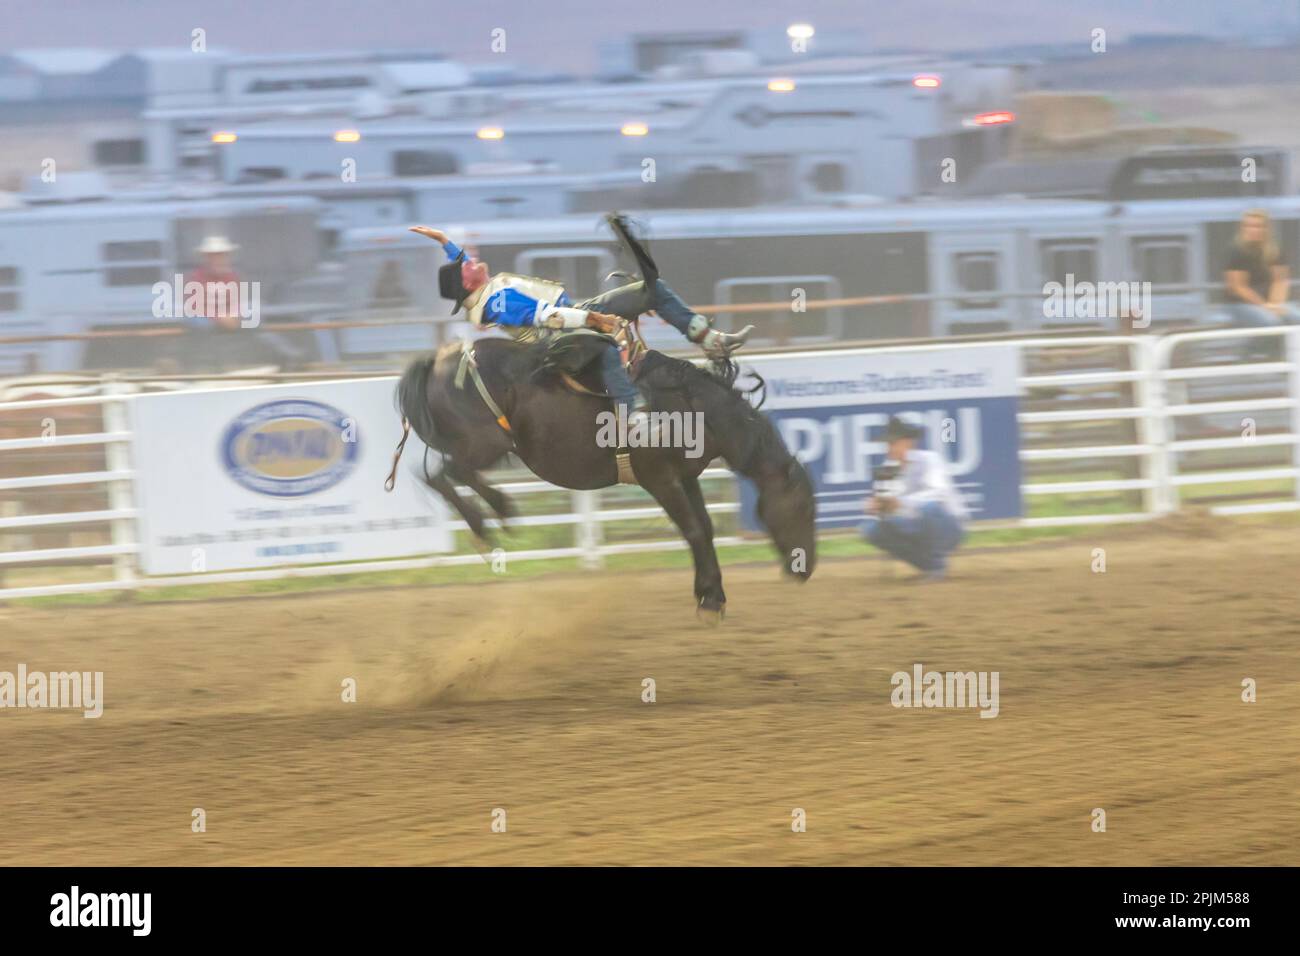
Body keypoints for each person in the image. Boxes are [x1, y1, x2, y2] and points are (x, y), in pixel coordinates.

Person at [408, 219, 752, 431]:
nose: (471, 259)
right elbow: (549, 316)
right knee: (601, 343)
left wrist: (443, 242)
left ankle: (706, 337)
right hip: (557, 335)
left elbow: (462, 262)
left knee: (651, 291)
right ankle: (630, 410)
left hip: (570, 315)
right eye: (466, 265)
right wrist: (594, 318)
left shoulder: (483, 291)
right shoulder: (499, 301)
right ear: (469, 284)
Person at [860, 416, 967, 580]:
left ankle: (936, 565)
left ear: (908, 443)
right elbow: (887, 510)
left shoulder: (930, 460)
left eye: (893, 443)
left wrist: (900, 503)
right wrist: (877, 508)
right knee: (871, 529)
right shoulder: (886, 470)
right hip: (916, 528)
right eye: (888, 444)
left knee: (930, 508)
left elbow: (939, 494)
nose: (889, 448)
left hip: (950, 527)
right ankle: (929, 566)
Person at [1223, 209, 1297, 358]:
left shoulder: (1274, 250)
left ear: (1266, 228)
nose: (1254, 230)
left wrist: (1276, 303)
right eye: (1249, 226)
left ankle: (1289, 359)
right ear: (1243, 228)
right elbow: (1238, 287)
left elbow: (1280, 280)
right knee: (1271, 322)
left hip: (1269, 302)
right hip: (1240, 304)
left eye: (1258, 226)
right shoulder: (1236, 251)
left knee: (1295, 316)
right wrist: (1265, 306)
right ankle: (1251, 354)